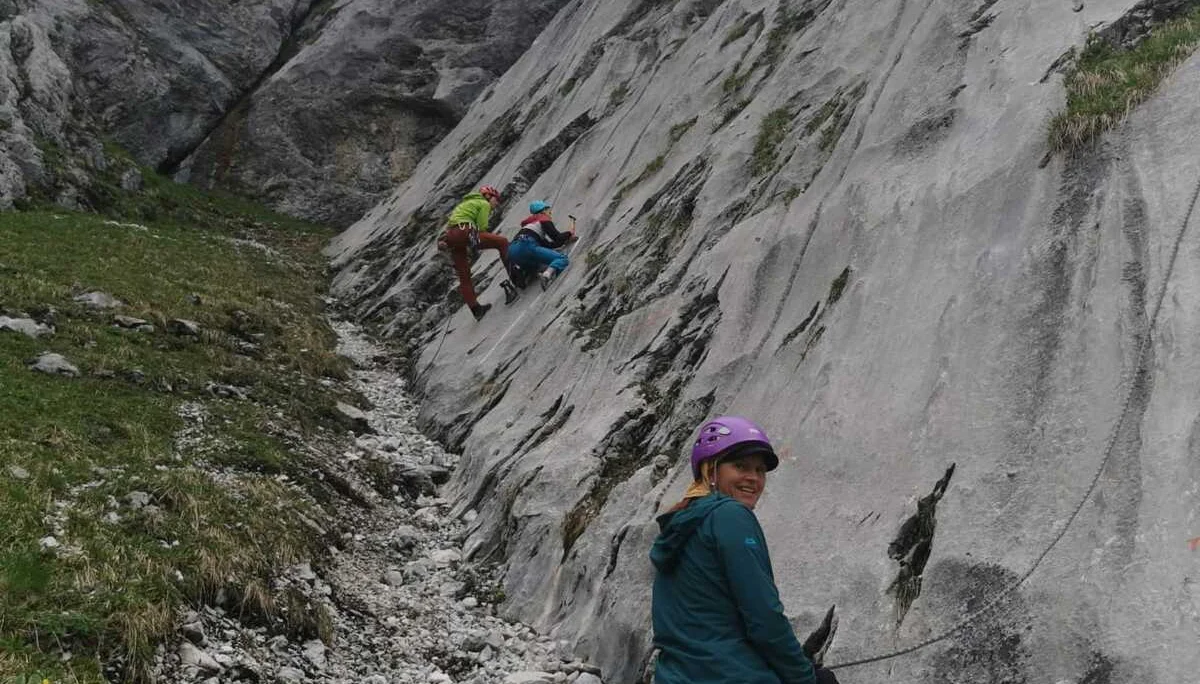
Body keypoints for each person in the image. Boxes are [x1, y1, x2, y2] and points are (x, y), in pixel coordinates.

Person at [649, 416, 839, 684]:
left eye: (760, 470)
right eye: (741, 466)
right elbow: (764, 617)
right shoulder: (730, 516)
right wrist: (805, 677)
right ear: (710, 469)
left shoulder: (683, 523)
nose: (753, 478)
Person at [438, 185, 519, 321]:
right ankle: (516, 277)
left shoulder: (464, 205)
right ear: (488, 196)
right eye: (496, 200)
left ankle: (476, 310)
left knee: (464, 275)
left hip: (451, 237)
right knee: (502, 242)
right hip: (465, 231)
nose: (496, 203)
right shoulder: (483, 203)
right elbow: (482, 228)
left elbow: (451, 224)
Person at [508, 200, 576, 290]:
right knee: (562, 259)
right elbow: (557, 237)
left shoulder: (529, 226)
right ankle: (546, 276)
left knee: (540, 264)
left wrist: (565, 240)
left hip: (512, 251)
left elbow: (549, 245)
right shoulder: (543, 218)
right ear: (543, 210)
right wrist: (569, 233)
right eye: (549, 210)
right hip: (526, 245)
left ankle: (525, 272)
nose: (550, 213)